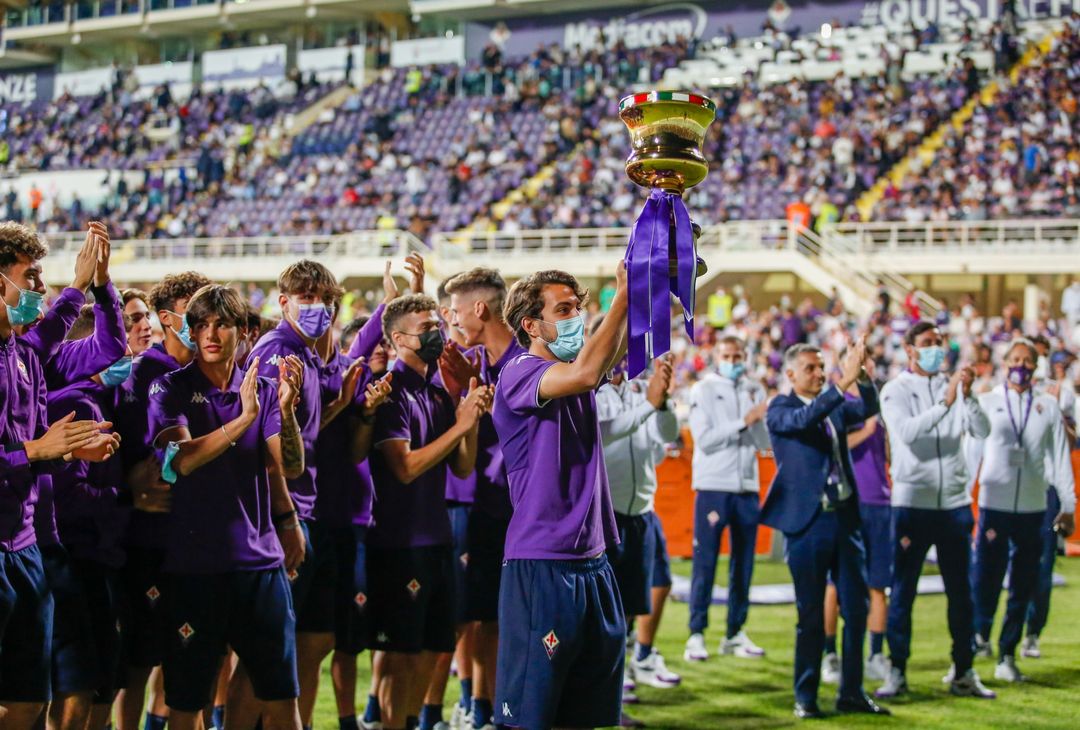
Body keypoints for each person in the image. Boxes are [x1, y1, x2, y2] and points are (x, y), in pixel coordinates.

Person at [147, 284, 307, 730]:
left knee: (281, 699)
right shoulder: (170, 388)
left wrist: (286, 412)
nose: (210, 334)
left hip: (260, 568)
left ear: (244, 331)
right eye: (201, 325)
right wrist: (243, 419)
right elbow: (179, 462)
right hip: (195, 568)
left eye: (221, 324)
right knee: (187, 706)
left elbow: (290, 466)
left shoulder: (266, 390)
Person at [492, 265, 628, 730]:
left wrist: (648, 288)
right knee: (530, 718)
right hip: (543, 561)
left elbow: (612, 350)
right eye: (564, 310)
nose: (577, 318)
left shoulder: (570, 370)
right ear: (531, 325)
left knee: (583, 714)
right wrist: (622, 295)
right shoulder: (519, 372)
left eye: (578, 308)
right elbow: (589, 372)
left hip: (593, 559)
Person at [1, 221, 118, 725]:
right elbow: (26, 448)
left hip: (26, 546)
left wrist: (66, 452)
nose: (38, 287)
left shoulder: (23, 353)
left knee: (30, 701)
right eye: (30, 276)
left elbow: (90, 339)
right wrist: (35, 450)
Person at [367, 294, 491, 730]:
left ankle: (410, 721)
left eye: (437, 324)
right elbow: (404, 468)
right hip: (398, 541)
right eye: (426, 328)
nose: (437, 333)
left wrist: (470, 419)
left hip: (436, 537)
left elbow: (462, 466)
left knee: (433, 647)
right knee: (400, 654)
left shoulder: (436, 392)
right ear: (399, 339)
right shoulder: (390, 392)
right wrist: (460, 426)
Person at [762, 340, 889, 719]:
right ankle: (805, 696)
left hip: (844, 519)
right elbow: (804, 419)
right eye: (810, 368)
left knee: (857, 608)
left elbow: (867, 408)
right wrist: (842, 382)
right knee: (811, 615)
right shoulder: (780, 408)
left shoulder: (831, 405)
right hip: (809, 524)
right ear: (790, 374)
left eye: (821, 366)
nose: (819, 373)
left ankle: (851, 692)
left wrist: (861, 378)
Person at [247, 260, 345, 730]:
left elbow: (302, 433)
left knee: (314, 638)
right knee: (267, 651)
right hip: (283, 516)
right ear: (283, 301)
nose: (317, 307)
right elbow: (267, 448)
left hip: (307, 509)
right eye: (307, 298)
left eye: (325, 299)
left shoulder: (304, 353)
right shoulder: (276, 352)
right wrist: (285, 520)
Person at [876, 321, 995, 699]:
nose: (935, 349)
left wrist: (969, 398)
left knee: (962, 593)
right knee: (903, 592)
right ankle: (897, 671)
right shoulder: (895, 390)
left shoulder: (954, 387)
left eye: (939, 342)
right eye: (927, 343)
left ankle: (963, 670)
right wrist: (946, 401)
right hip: (913, 504)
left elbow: (983, 431)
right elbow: (909, 434)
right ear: (910, 349)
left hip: (955, 503)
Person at [114, 271, 212, 730]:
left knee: (194, 666)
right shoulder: (143, 374)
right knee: (139, 662)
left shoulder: (213, 371)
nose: (204, 321)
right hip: (151, 541)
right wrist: (133, 483)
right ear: (168, 318)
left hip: (200, 541)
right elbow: (132, 461)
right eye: (194, 310)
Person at [44, 304, 135, 730]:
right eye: (117, 346)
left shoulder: (91, 398)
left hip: (84, 557)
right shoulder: (77, 404)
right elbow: (70, 497)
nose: (126, 354)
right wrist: (131, 497)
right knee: (76, 688)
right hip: (76, 559)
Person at [442, 267, 526, 730]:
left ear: (480, 309)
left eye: (457, 310)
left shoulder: (528, 363)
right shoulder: (475, 364)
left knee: (518, 622)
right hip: (485, 510)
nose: (453, 320)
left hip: (525, 515)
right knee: (482, 619)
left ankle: (516, 710)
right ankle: (487, 709)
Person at [971, 339, 1075, 682]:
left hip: (1033, 506)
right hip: (994, 503)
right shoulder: (987, 402)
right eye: (1015, 359)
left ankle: (1007, 652)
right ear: (1004, 363)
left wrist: (1068, 504)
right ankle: (980, 633)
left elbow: (1059, 458)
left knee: (1023, 582)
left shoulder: (1047, 406)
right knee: (986, 576)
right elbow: (972, 452)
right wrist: (963, 495)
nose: (1021, 365)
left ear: (1036, 365)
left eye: (1028, 360)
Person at [596, 346, 682, 705]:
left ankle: (627, 666)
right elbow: (602, 434)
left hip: (642, 508)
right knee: (608, 605)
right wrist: (649, 404)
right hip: (606, 512)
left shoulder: (640, 389)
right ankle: (605, 679)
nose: (623, 358)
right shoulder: (590, 392)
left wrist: (662, 402)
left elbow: (668, 434)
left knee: (633, 599)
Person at [685, 336, 770, 662]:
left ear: (746, 356)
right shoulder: (703, 389)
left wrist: (759, 421)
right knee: (705, 563)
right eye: (727, 355)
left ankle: (735, 632)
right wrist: (744, 421)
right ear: (717, 357)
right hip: (713, 485)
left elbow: (764, 443)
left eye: (738, 356)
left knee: (744, 566)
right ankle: (696, 634)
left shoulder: (755, 388)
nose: (733, 361)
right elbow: (705, 440)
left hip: (747, 486)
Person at [822, 355, 892, 684]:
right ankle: (830, 654)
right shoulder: (839, 404)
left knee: (879, 582)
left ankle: (875, 654)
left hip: (880, 499)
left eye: (870, 363)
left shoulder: (880, 405)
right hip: (850, 500)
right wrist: (866, 430)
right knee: (835, 584)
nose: (866, 368)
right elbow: (831, 446)